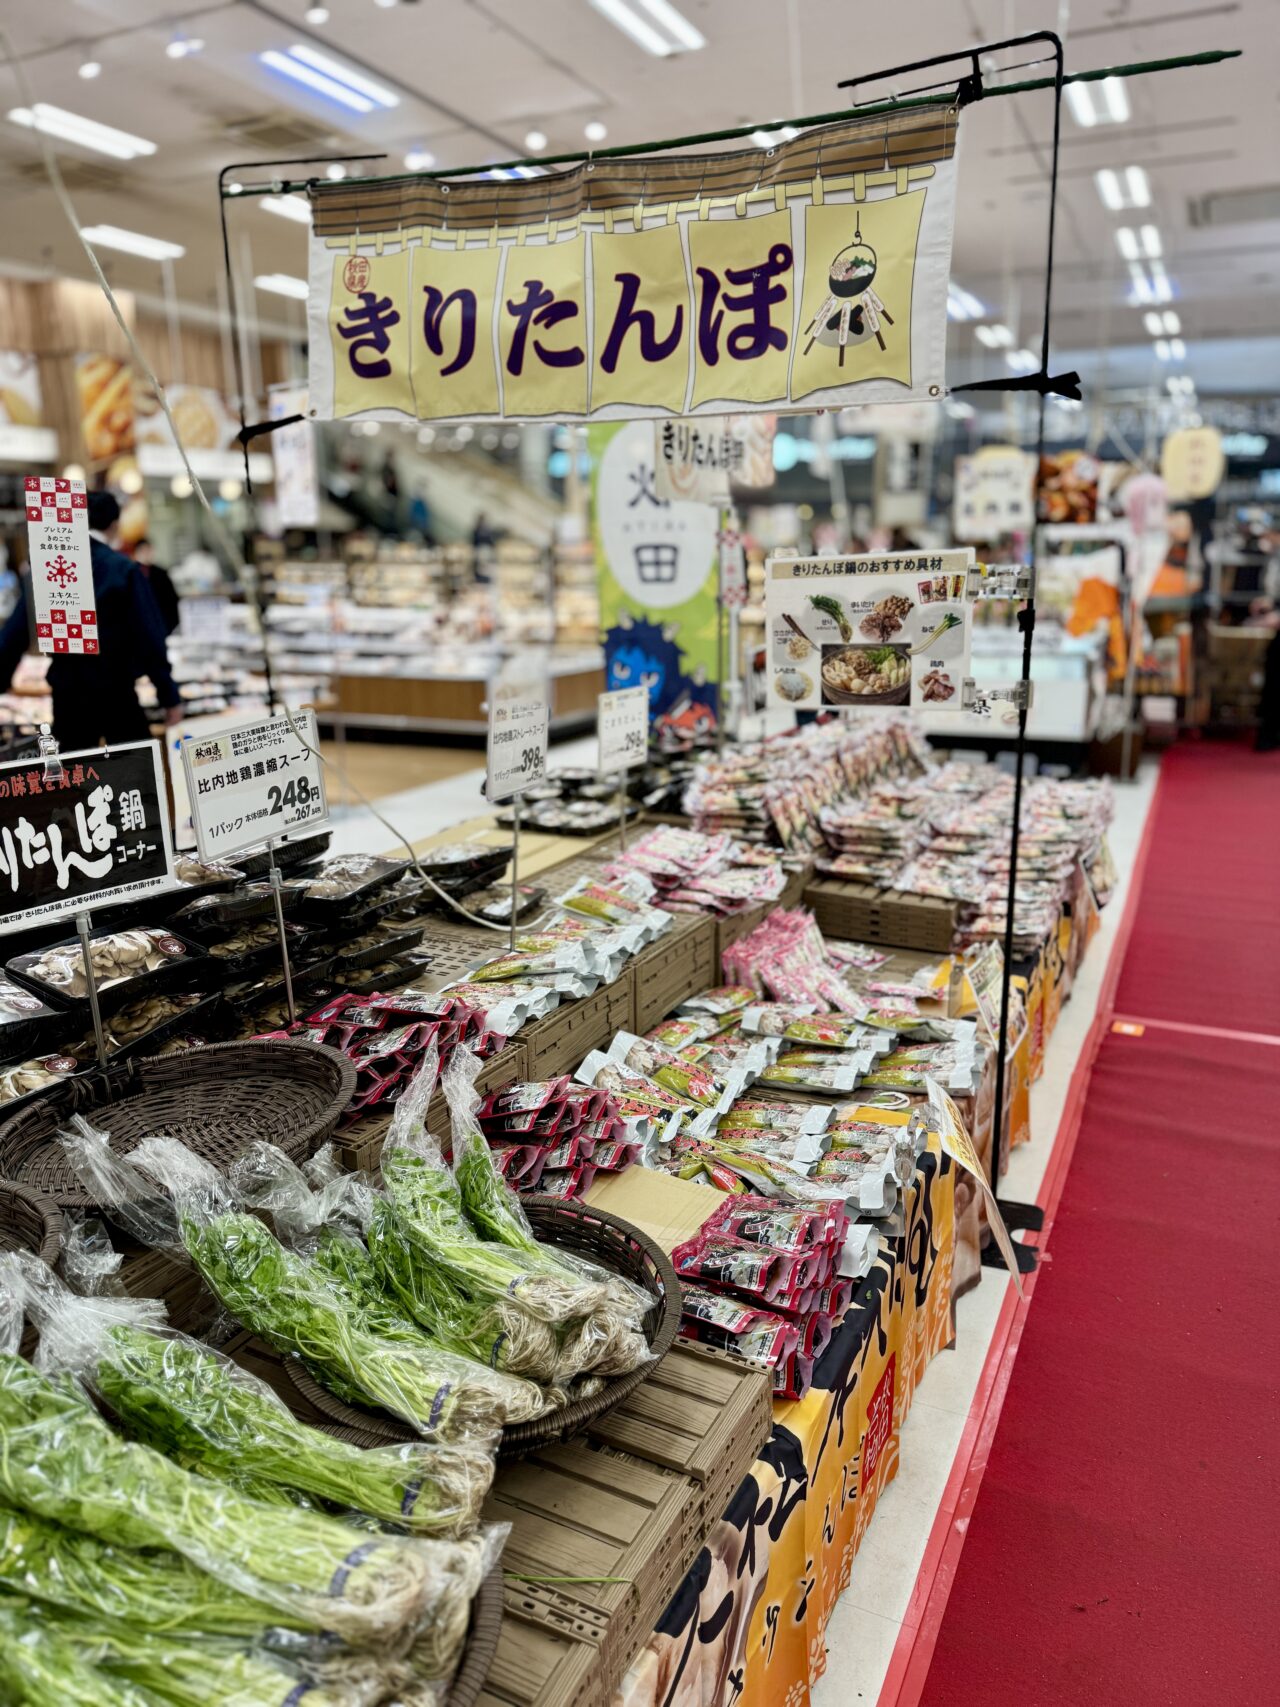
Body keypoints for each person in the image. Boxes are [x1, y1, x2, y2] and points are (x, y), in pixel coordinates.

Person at [0, 491, 184, 750]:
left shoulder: (50, 566)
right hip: (117, 693)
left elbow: (14, 634)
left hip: (68, 696)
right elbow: (150, 639)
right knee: (135, 778)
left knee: (76, 781)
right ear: (114, 525)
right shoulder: (123, 569)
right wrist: (169, 697)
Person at [131, 536, 180, 635]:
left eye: (148, 550)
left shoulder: (161, 573)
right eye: (143, 551)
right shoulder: (130, 573)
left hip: (162, 622)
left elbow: (172, 600)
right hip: (138, 624)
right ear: (136, 553)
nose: (146, 554)